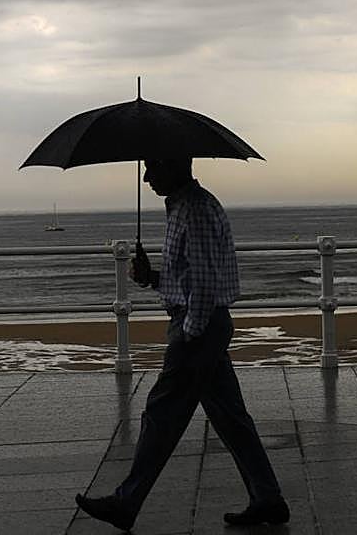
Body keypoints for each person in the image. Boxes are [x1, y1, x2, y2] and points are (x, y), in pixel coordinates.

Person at [76, 158, 289, 530]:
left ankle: (126, 503)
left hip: (198, 327)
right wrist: (152, 278)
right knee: (230, 418)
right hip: (201, 325)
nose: (146, 177)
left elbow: (205, 283)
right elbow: (189, 278)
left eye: (153, 168)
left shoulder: (196, 210)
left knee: (162, 413)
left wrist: (190, 332)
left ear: (177, 166)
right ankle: (268, 498)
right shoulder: (183, 209)